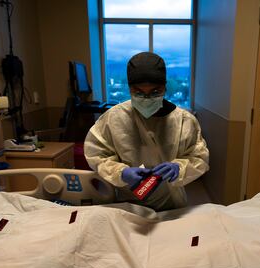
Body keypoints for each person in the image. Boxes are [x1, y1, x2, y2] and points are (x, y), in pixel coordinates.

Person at [84, 52, 209, 211]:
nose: (147, 98)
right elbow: (97, 155)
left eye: (155, 92)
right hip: (128, 204)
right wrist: (121, 173)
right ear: (129, 89)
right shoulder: (113, 119)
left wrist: (180, 168)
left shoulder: (184, 121)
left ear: (165, 87)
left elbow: (199, 157)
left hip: (171, 204)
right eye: (139, 92)